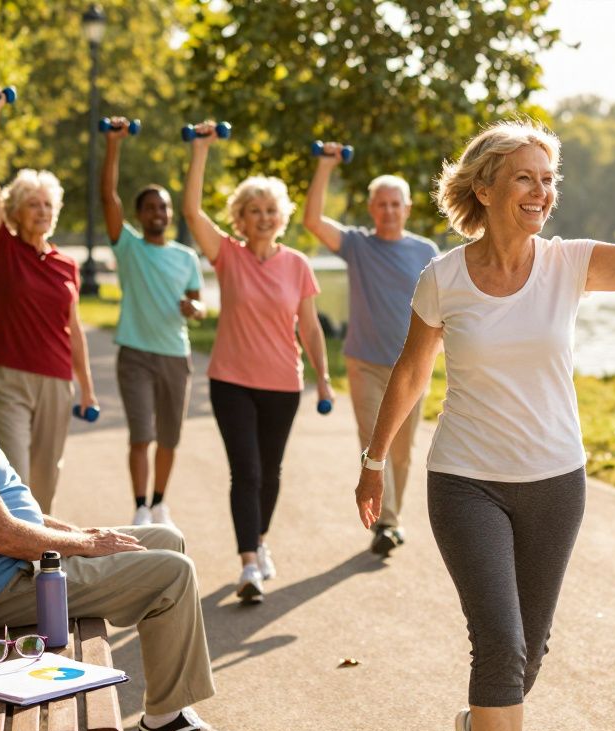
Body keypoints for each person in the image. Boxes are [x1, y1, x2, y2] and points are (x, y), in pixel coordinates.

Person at [354, 73, 615, 731]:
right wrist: (374, 460)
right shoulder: (443, 278)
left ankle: (474, 723)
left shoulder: (570, 264)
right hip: (466, 483)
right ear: (484, 189)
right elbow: (411, 373)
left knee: (526, 656)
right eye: (525, 179)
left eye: (547, 179)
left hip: (555, 484)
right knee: (500, 646)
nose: (542, 192)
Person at [0, 274, 231, 731]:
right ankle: (167, 722)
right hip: (2, 589)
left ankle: (170, 710)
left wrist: (79, 535)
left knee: (167, 538)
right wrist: (83, 545)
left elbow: (8, 511)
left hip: (20, 568)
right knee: (173, 573)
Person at [182, 121, 334, 604]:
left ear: (281, 217)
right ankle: (249, 563)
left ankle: (260, 541)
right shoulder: (227, 255)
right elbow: (191, 211)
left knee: (270, 472)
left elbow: (310, 327)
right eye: (254, 211)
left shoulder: (297, 264)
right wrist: (201, 150)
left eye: (271, 210)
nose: (264, 217)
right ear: (240, 219)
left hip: (283, 384)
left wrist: (324, 379)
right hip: (231, 381)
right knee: (245, 471)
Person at [304, 144, 439, 556]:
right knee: (373, 442)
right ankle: (387, 524)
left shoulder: (426, 252)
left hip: (411, 367)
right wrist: (325, 165)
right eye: (381, 204)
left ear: (407, 208)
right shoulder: (357, 245)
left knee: (402, 451)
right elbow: (312, 220)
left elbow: (441, 311)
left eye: (396, 204)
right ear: (371, 208)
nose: (389, 210)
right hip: (364, 363)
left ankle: (390, 518)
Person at [0, 86, 98, 514]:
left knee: (45, 484)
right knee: (16, 480)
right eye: (32, 204)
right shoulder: (3, 248)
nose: (42, 211)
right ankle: (12, 551)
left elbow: (73, 328)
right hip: (9, 380)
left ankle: (40, 552)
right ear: (14, 211)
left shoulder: (66, 264)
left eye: (47, 204)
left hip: (57, 382)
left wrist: (87, 389)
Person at [100, 116, 206, 528]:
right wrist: (114, 144)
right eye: (150, 207)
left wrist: (194, 309)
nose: (157, 212)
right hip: (135, 354)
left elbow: (199, 304)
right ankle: (140, 507)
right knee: (141, 434)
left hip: (175, 356)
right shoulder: (129, 247)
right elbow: (108, 197)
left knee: (169, 437)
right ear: (140, 215)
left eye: (163, 206)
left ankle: (160, 503)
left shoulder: (186, 257)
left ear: (169, 213)